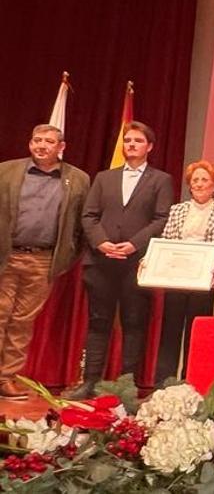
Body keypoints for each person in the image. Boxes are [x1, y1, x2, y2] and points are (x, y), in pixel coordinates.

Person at [67, 121, 173, 399]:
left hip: (135, 263)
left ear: (150, 147)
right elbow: (89, 215)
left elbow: (161, 218)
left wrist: (133, 244)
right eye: (128, 140)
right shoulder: (104, 177)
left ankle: (127, 385)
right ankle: (90, 383)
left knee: (134, 323)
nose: (131, 145)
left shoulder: (161, 180)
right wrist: (101, 242)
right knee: (98, 322)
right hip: (100, 261)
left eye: (138, 141)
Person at [0, 125, 90, 400]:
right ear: (30, 143)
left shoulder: (78, 179)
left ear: (61, 147)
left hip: (42, 261)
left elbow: (81, 226)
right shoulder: (6, 171)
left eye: (49, 141)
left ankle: (5, 378)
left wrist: (63, 259)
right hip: (6, 256)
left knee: (22, 322)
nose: (41, 145)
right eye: (37, 140)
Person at [152, 160, 214, 385]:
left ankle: (191, 382)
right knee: (170, 331)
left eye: (204, 180)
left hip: (205, 279)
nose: (199, 184)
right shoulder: (177, 210)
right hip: (176, 278)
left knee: (197, 332)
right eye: (195, 180)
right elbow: (167, 241)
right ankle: (164, 384)